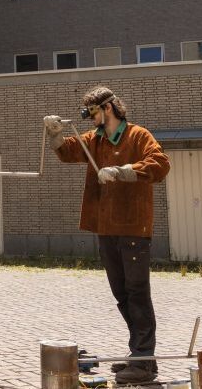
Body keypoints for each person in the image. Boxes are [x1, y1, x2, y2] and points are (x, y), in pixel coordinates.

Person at [44, 86, 170, 386]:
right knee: (122, 294)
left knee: (138, 292)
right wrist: (54, 134)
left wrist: (124, 171)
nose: (90, 118)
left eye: (93, 112)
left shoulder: (138, 136)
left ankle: (143, 361)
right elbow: (67, 152)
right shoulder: (95, 140)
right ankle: (140, 357)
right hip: (106, 228)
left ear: (108, 108)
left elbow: (161, 164)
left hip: (133, 228)